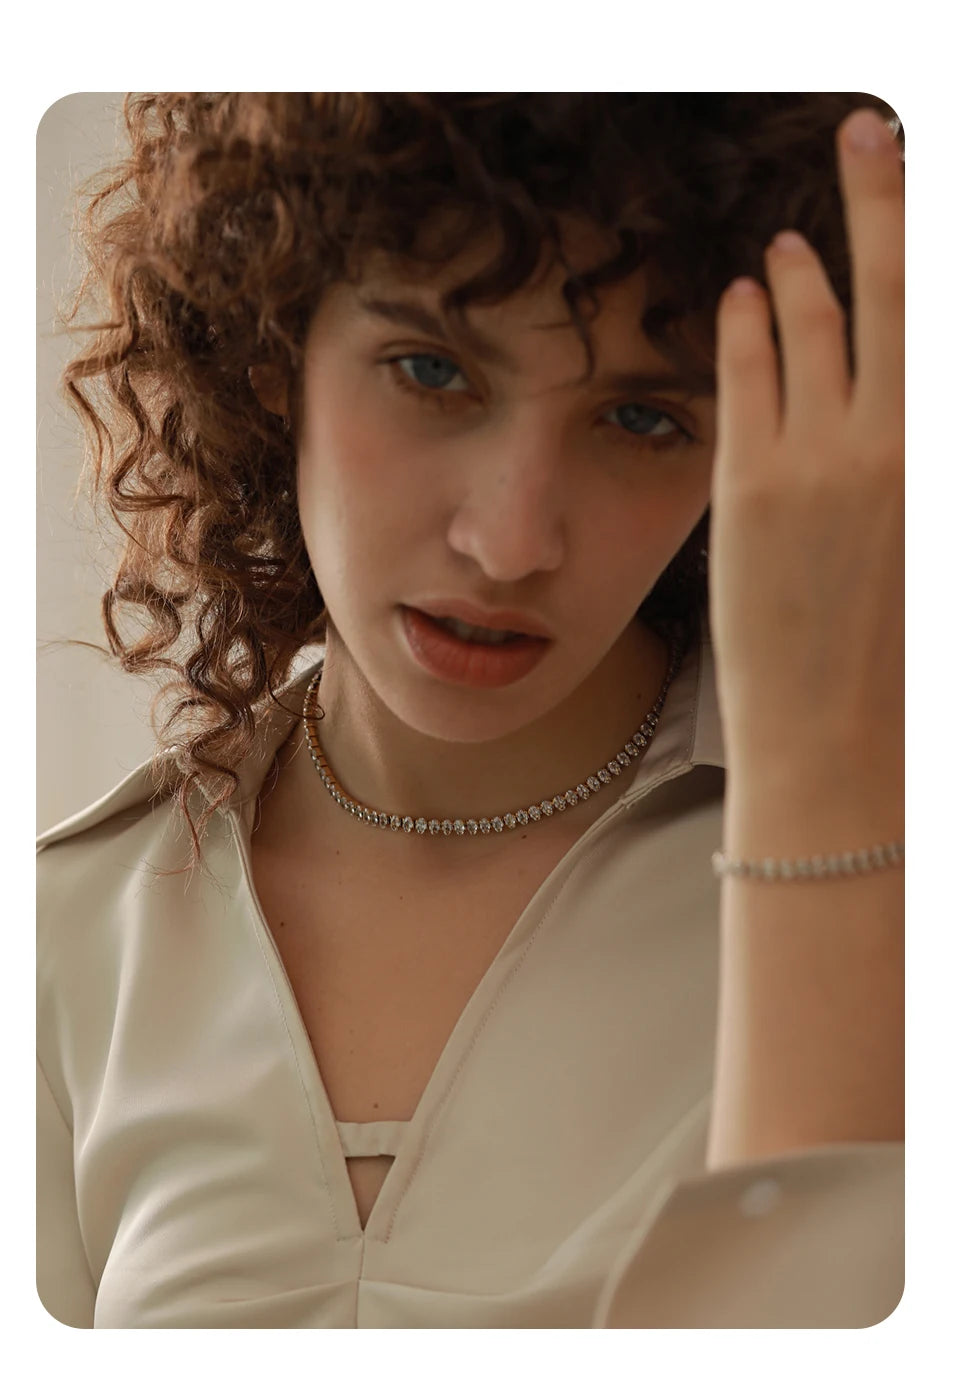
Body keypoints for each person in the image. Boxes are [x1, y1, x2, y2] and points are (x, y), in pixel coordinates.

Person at [37, 93, 905, 1328]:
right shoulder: (67, 932)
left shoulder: (895, 888)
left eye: (643, 417)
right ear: (271, 349)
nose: (509, 541)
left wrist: (834, 815)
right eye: (432, 369)